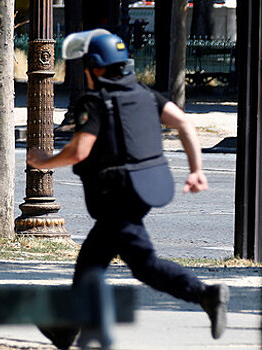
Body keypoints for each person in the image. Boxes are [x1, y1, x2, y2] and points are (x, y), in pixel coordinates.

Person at [28, 30, 229, 349]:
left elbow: (80, 151)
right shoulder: (144, 94)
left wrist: (43, 161)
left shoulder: (93, 103)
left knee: (144, 265)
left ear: (94, 68)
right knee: (91, 260)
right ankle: (66, 328)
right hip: (139, 190)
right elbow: (186, 124)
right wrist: (196, 171)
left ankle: (205, 294)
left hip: (115, 198)